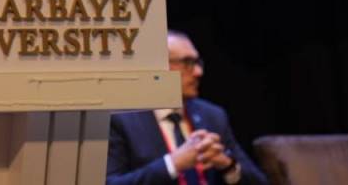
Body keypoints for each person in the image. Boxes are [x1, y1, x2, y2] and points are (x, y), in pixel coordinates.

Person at [106, 31, 268, 185]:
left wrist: (227, 165)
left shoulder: (212, 116)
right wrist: (172, 164)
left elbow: (259, 181)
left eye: (198, 63)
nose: (199, 72)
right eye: (187, 63)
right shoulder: (120, 119)